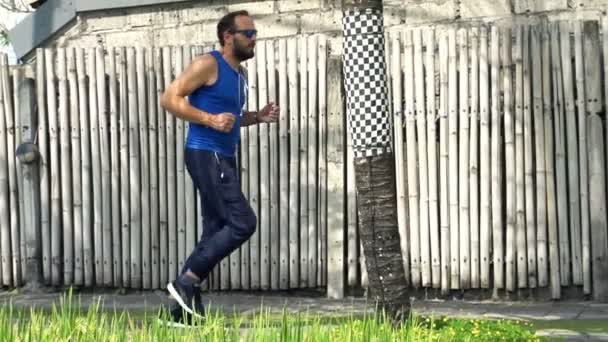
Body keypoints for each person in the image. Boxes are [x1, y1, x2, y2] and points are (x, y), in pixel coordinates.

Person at [158, 10, 279, 327]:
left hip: (224, 156)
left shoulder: (240, 75)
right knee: (242, 222)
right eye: (248, 33)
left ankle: (181, 316)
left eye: (255, 33)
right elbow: (169, 98)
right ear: (228, 36)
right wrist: (209, 120)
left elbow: (230, 117)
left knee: (214, 230)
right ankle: (184, 283)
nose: (255, 39)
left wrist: (257, 117)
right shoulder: (207, 63)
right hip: (205, 152)